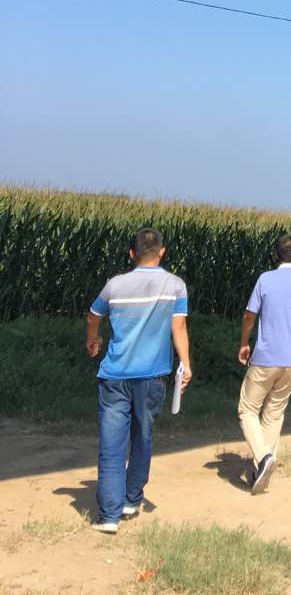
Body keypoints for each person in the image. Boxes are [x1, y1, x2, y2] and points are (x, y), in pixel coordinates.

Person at [86, 227, 191, 534]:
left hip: (115, 375)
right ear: (162, 252)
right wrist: (185, 364)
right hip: (152, 376)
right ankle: (131, 499)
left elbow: (93, 315)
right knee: (142, 435)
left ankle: (109, 516)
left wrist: (93, 340)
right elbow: (178, 328)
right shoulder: (175, 285)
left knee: (112, 443)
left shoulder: (114, 285)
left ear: (132, 253)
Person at [237, 233, 291, 494]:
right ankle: (262, 469)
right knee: (274, 412)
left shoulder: (265, 279)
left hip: (265, 357)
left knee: (247, 409)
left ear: (277, 255)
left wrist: (244, 342)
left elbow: (249, 315)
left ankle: (264, 457)